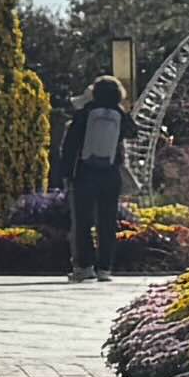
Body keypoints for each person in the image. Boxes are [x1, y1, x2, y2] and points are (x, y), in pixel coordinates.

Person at [62, 74, 131, 276]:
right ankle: (105, 268)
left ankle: (84, 266)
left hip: (84, 172)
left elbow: (70, 145)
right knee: (107, 222)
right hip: (111, 174)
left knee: (82, 221)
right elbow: (133, 131)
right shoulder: (120, 114)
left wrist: (66, 173)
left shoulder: (85, 113)